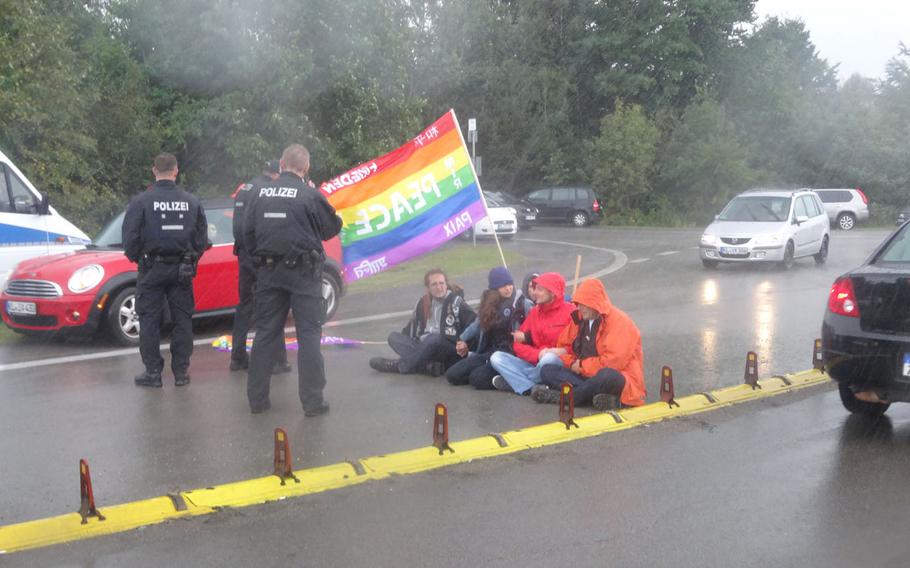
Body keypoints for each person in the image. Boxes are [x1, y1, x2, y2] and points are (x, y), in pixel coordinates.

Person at [244, 144, 342, 415]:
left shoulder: (258, 193)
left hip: (268, 272)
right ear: (305, 167)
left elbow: (246, 233)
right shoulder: (309, 194)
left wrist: (261, 261)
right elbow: (331, 228)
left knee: (265, 334)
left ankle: (257, 400)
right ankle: (312, 402)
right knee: (309, 336)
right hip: (304, 273)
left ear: (282, 163)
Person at [122, 153, 208, 388]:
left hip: (151, 268)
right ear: (176, 171)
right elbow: (202, 239)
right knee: (183, 320)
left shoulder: (141, 202)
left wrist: (139, 258)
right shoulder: (191, 201)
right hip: (182, 268)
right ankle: (181, 372)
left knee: (149, 320)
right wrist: (192, 257)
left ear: (154, 171)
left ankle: (153, 373)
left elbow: (129, 238)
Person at [533, 278, 646, 410]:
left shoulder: (620, 322)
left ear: (594, 303)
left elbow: (613, 363)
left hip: (620, 379)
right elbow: (565, 346)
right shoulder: (579, 319)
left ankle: (568, 398)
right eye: (577, 303)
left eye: (582, 304)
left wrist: (580, 366)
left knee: (607, 375)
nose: (579, 308)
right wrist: (570, 362)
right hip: (586, 377)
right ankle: (596, 397)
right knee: (547, 370)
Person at [229, 159, 291, 375]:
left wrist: (247, 251)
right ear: (276, 173)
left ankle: (237, 357)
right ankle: (278, 360)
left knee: (244, 305)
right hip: (263, 256)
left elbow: (237, 227)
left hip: (244, 255)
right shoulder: (270, 190)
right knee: (273, 306)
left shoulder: (245, 189)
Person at [369, 269, 476, 376]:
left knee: (433, 338)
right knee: (393, 337)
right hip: (423, 346)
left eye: (441, 283)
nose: (439, 287)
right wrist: (404, 341)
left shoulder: (456, 302)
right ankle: (428, 367)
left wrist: (465, 343)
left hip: (447, 348)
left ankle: (400, 366)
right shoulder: (422, 302)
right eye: (434, 284)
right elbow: (411, 328)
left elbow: (474, 324)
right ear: (428, 287)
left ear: (446, 284)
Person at [489, 272, 575, 395]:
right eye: (534, 289)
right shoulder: (534, 312)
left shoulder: (571, 311)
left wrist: (558, 351)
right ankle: (531, 387)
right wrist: (538, 354)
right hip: (535, 362)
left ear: (552, 292)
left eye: (539, 289)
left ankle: (518, 382)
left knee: (548, 359)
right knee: (496, 357)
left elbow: (577, 346)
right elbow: (518, 344)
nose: (534, 293)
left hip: (557, 362)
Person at [446, 267, 532, 389]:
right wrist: (462, 339)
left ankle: (509, 380)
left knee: (477, 378)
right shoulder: (489, 303)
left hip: (509, 353)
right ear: (495, 288)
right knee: (452, 375)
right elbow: (477, 324)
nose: (508, 288)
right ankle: (496, 375)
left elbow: (534, 327)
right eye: (503, 286)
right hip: (488, 351)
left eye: (509, 284)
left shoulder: (522, 304)